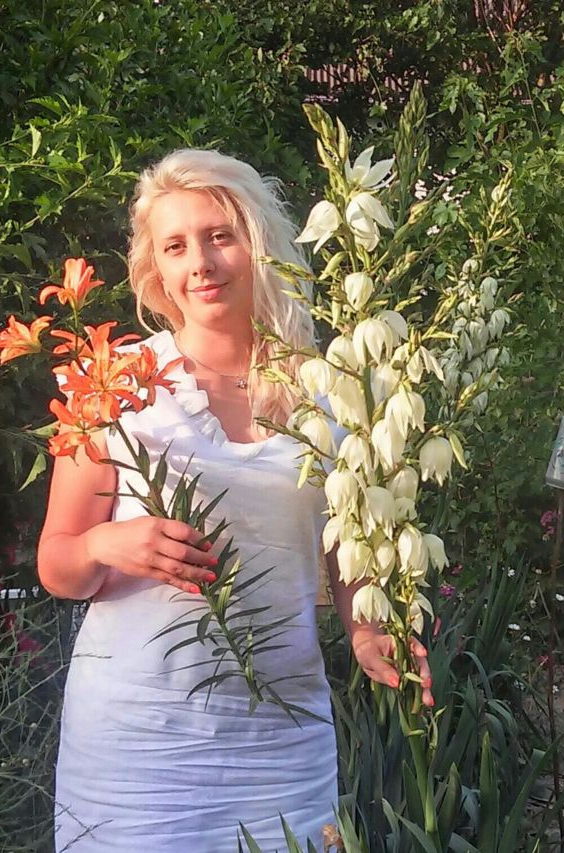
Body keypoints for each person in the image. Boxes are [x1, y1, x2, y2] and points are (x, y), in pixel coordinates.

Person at [37, 149, 433, 852]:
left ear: (259, 243)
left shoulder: (332, 393)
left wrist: (368, 632)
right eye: (176, 246)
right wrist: (107, 544)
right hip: (137, 743)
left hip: (282, 738)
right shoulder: (114, 383)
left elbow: (347, 548)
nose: (201, 263)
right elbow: (57, 564)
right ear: (156, 270)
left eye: (220, 236)